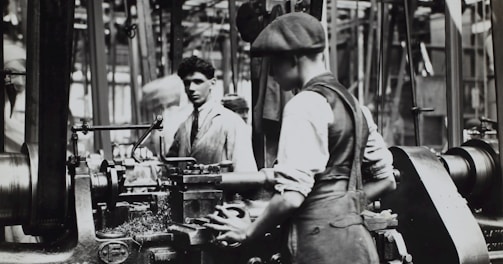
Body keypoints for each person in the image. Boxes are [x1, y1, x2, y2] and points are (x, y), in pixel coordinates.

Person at [204, 12, 395, 264]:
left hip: (319, 248)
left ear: (293, 59)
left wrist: (248, 231)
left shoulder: (302, 104)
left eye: (274, 62)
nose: (270, 72)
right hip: (357, 244)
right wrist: (342, 206)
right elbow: (387, 181)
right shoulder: (356, 106)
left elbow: (291, 198)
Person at [167, 56, 257, 172]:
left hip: (223, 190)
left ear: (212, 83)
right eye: (187, 83)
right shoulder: (183, 128)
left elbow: (245, 172)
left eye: (198, 82)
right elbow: (169, 165)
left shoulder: (231, 122)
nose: (191, 88)